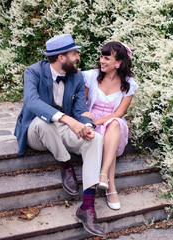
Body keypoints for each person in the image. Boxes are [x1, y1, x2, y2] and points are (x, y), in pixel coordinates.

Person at [14, 34, 105, 236]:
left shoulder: (76, 76)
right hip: (36, 132)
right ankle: (66, 164)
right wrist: (67, 119)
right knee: (44, 122)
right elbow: (33, 102)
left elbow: (81, 109)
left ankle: (87, 208)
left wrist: (87, 125)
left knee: (95, 138)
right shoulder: (33, 72)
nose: (78, 57)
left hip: (63, 131)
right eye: (74, 53)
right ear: (61, 57)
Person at [81, 41, 139, 210]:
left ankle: (103, 173)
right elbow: (81, 103)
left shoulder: (128, 84)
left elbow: (119, 113)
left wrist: (99, 121)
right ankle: (110, 185)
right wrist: (88, 121)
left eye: (107, 58)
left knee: (114, 124)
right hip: (91, 124)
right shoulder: (91, 76)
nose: (102, 61)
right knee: (109, 130)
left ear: (118, 63)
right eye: (101, 56)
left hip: (111, 125)